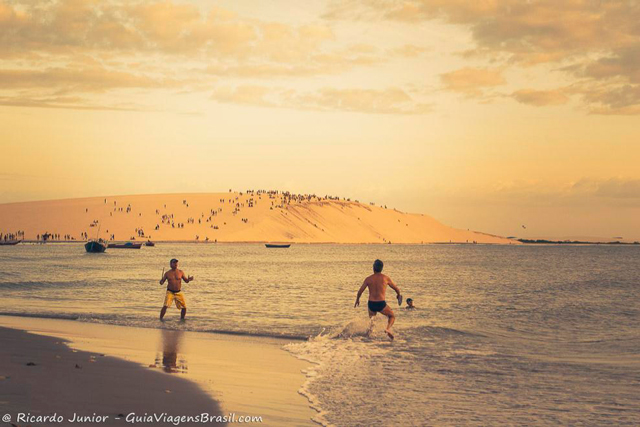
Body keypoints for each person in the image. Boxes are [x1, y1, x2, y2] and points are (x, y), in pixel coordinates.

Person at [354, 259, 402, 340]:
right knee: (392, 316)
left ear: (373, 268)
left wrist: (357, 300)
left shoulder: (368, 279)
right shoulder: (385, 278)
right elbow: (397, 289)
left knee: (372, 321)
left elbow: (360, 291)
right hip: (381, 304)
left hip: (371, 304)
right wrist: (398, 295)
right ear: (382, 268)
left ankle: (369, 335)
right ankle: (388, 329)